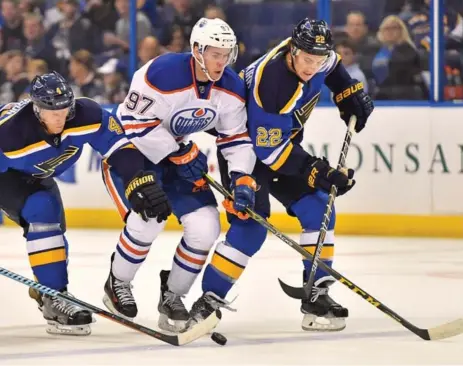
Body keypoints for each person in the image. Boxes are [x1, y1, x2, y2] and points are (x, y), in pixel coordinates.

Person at [189, 18, 374, 332]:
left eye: (317, 60)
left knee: (319, 208)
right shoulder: (273, 82)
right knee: (250, 229)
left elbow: (333, 68)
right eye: (306, 60)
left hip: (280, 145)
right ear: (293, 50)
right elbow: (268, 153)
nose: (311, 67)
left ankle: (316, 295)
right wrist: (318, 171)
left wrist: (347, 92)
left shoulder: (318, 57)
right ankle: (207, 301)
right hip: (244, 152)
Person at [101, 18, 256, 332]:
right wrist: (176, 152)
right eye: (215, 53)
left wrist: (242, 178)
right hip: (132, 154)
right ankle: (117, 282)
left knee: (206, 226)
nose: (222, 61)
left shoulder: (231, 87)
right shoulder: (162, 72)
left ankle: (173, 296)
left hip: (173, 153)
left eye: (227, 54)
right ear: (197, 50)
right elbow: (133, 123)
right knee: (149, 218)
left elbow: (236, 137)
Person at [0, 71, 171, 336]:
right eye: (51, 111)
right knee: (42, 210)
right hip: (7, 178)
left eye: (64, 109)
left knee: (52, 226)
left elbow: (118, 146)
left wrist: (139, 179)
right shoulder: (10, 134)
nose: (60, 118)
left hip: (37, 177)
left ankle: (51, 293)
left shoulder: (86, 114)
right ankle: (54, 295)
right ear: (36, 109)